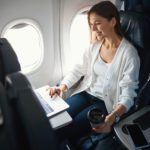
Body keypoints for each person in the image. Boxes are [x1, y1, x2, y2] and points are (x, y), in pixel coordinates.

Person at [49, 0, 140, 144]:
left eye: (97, 23)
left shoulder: (129, 54)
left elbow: (128, 94)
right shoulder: (95, 46)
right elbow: (79, 69)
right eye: (91, 25)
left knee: (65, 129)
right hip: (85, 93)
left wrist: (113, 116)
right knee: (56, 121)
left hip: (104, 103)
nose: (93, 29)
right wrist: (62, 87)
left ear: (112, 21)